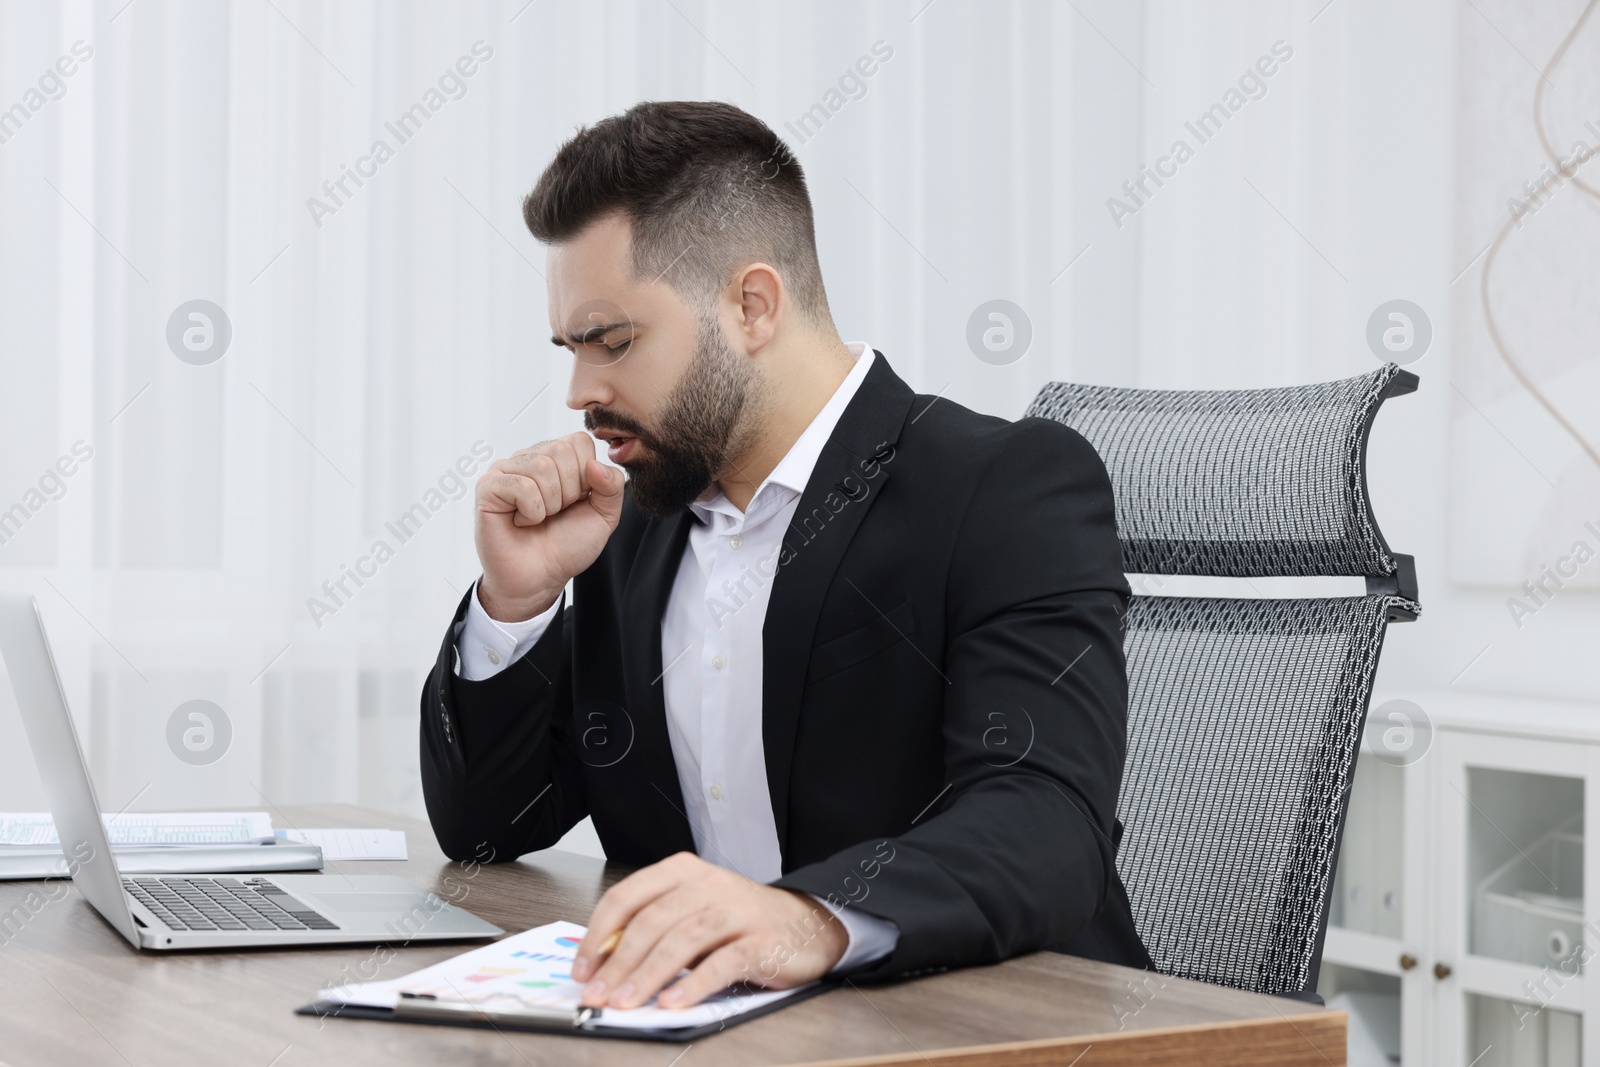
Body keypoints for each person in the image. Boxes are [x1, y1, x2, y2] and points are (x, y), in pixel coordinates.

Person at [420, 99, 1152, 1013]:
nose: (580, 391)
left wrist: (804, 919)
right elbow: (487, 826)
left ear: (752, 305)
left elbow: (1046, 821)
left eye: (612, 342)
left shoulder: (1003, 486)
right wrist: (515, 604)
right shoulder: (635, 521)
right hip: (734, 1033)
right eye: (571, 349)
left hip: (990, 1025)